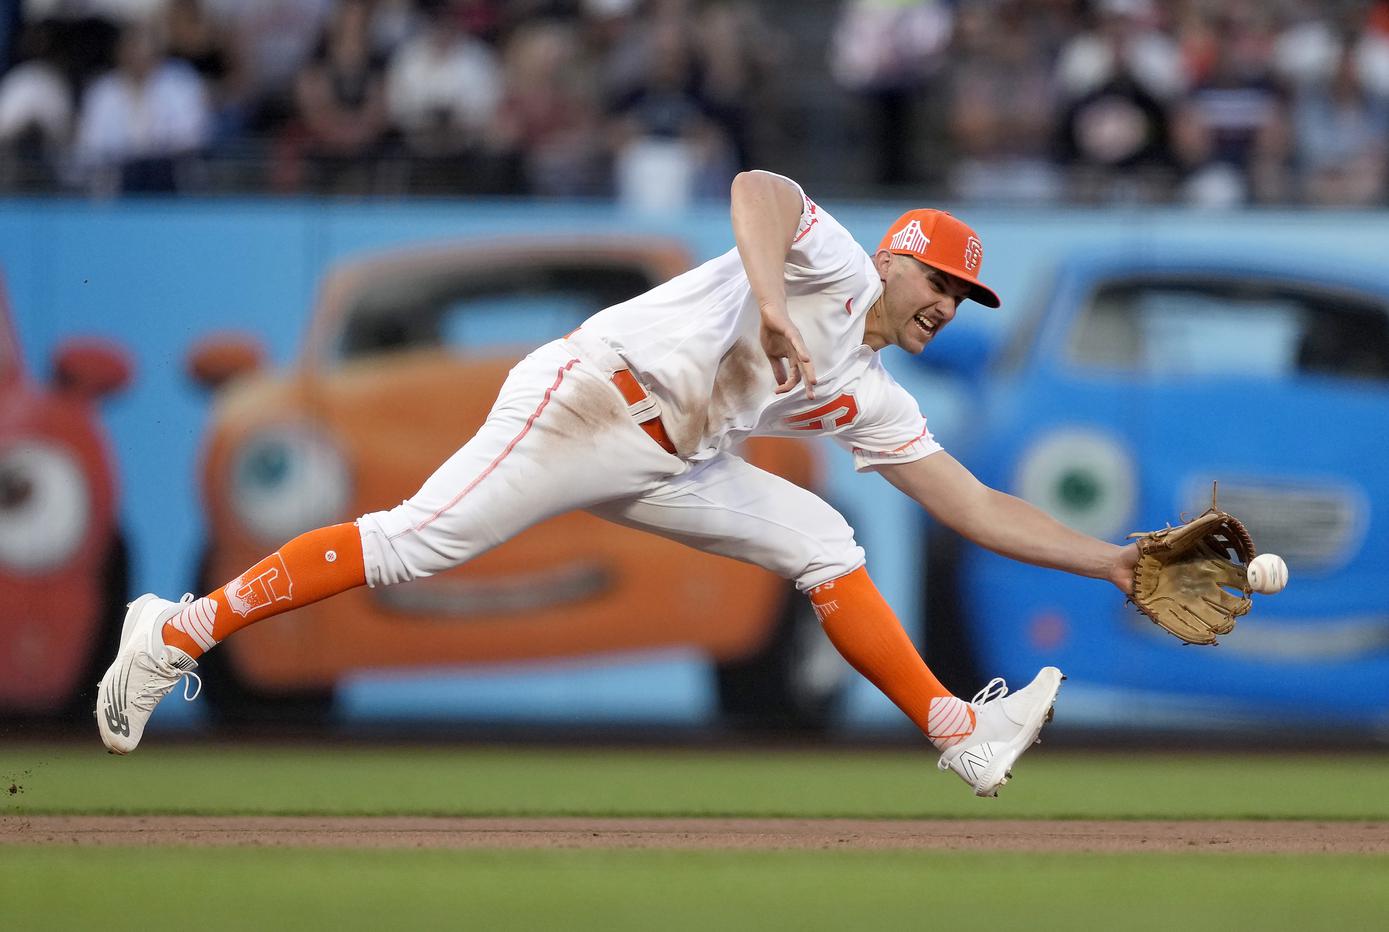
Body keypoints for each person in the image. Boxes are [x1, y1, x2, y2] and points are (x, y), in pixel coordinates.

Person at [97, 170, 1139, 797]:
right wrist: (772, 298)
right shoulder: (838, 269)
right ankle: (177, 630)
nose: (950, 306)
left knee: (825, 539)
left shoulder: (871, 395)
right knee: (416, 543)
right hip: (586, 398)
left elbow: (971, 502)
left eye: (967, 298)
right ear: (898, 263)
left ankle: (957, 732)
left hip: (674, 458)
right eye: (944, 283)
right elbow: (760, 193)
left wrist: (1113, 560)